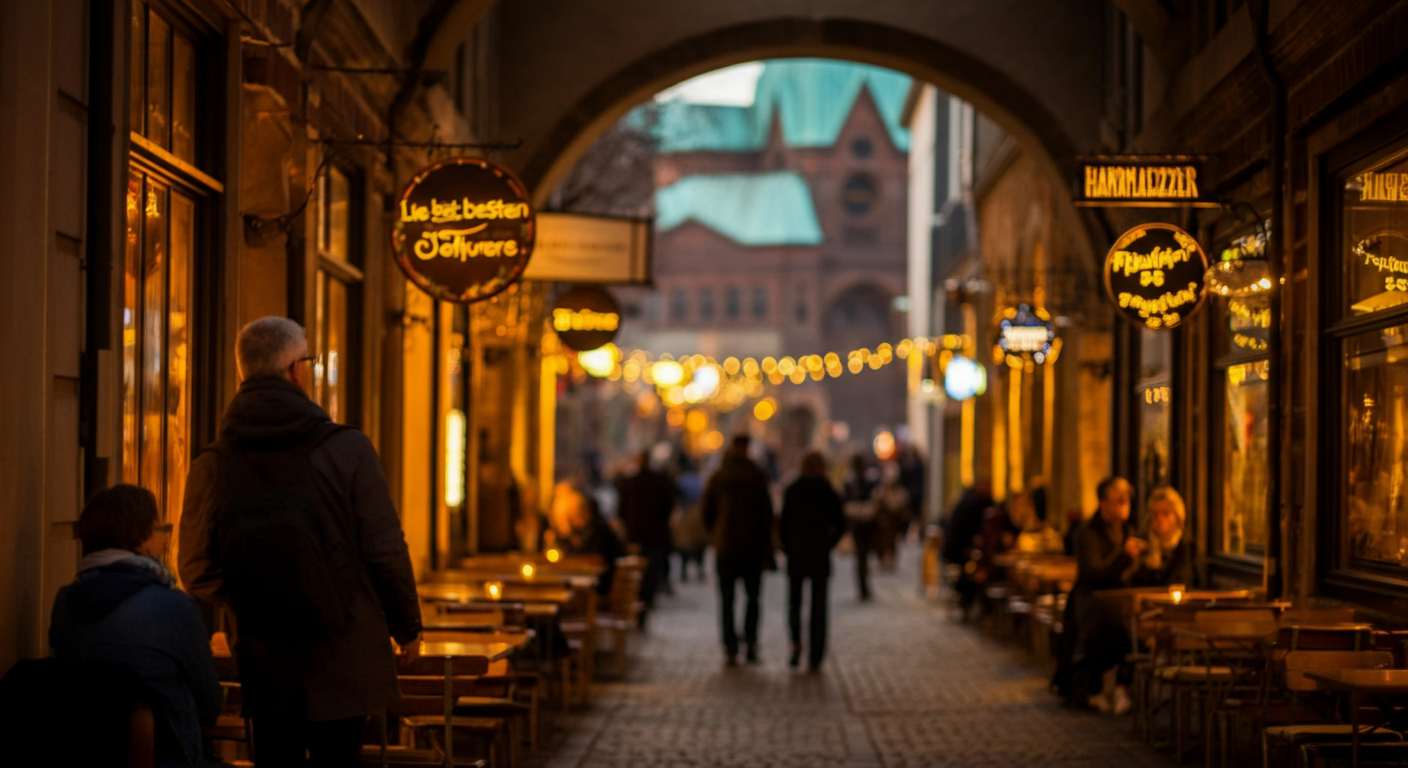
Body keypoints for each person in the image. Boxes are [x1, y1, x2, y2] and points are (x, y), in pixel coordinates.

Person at [180, 316, 422, 767]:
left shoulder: (213, 463)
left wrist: (255, 596)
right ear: (295, 370)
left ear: (244, 372)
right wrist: (406, 626)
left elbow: (195, 566)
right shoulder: (347, 449)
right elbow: (385, 548)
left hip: (265, 660)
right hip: (345, 651)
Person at [50, 485, 222, 768]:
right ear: (141, 539)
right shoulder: (174, 607)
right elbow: (210, 707)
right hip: (166, 757)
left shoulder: (64, 604)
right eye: (159, 529)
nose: (164, 539)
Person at [1054, 476, 1143, 715]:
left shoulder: (1129, 531)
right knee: (1109, 626)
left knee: (1139, 627)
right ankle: (1094, 688)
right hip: (1092, 600)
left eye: (1127, 500)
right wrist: (1125, 556)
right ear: (1103, 503)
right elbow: (1095, 574)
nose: (1124, 505)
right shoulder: (1086, 533)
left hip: (1123, 600)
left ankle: (1122, 686)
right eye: (1118, 500)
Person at [702, 434, 775, 665]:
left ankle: (729, 645)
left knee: (727, 598)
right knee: (753, 598)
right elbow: (767, 514)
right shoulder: (757, 476)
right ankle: (751, 643)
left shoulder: (719, 477)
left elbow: (707, 512)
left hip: (726, 546)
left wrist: (716, 533)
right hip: (752, 546)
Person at [778, 452, 846, 671]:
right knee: (819, 607)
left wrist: (788, 546)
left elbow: (783, 523)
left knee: (794, 603)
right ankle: (816, 653)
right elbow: (841, 523)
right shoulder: (828, 491)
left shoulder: (793, 490)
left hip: (797, 554)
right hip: (819, 554)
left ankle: (796, 642)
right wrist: (828, 544)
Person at [616, 450, 679, 618]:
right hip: (655, 534)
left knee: (638, 571)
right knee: (651, 571)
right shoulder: (659, 482)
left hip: (636, 534)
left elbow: (621, 510)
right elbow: (668, 506)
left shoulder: (629, 483)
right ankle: (646, 601)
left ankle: (639, 601)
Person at [1133, 486, 1194, 588]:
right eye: (1155, 514)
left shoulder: (1186, 545)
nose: (1160, 519)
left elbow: (1185, 580)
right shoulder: (1141, 542)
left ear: (1177, 517)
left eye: (1166, 513)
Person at [842, 454, 878, 601]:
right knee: (863, 556)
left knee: (861, 556)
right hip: (865, 522)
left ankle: (863, 586)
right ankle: (864, 587)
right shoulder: (866, 482)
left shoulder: (852, 483)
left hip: (858, 522)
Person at [873, 461, 911, 570]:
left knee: (892, 540)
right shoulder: (881, 490)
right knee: (882, 540)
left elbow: (899, 505)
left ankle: (891, 558)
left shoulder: (900, 491)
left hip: (894, 522)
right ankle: (883, 558)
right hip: (882, 522)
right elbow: (875, 503)